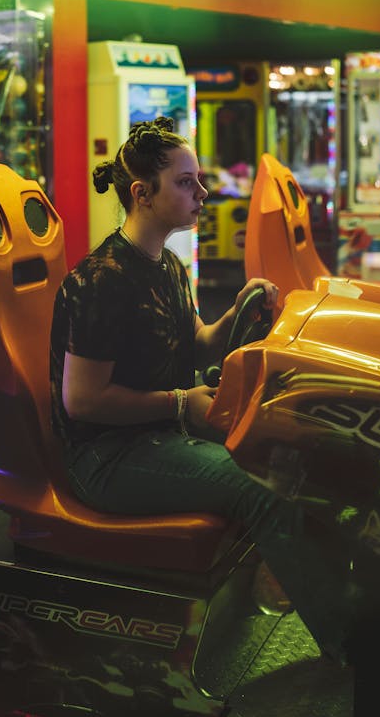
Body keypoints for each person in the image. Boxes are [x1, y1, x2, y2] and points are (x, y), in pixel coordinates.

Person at [50, 115, 353, 663]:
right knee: (263, 487)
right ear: (143, 194)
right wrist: (179, 403)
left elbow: (197, 342)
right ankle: (352, 648)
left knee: (297, 453)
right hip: (105, 457)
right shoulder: (99, 281)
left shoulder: (166, 264)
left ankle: (351, 618)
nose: (203, 193)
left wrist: (239, 309)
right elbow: (82, 401)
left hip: (159, 434)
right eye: (187, 182)